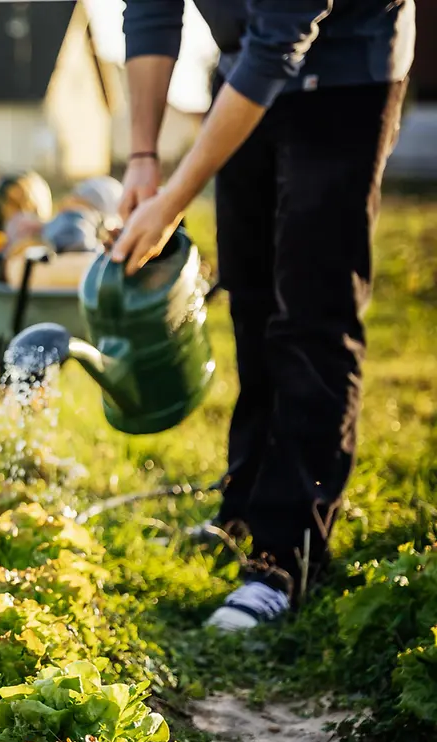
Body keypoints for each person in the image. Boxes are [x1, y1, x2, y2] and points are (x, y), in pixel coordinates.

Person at [112, 0, 414, 631]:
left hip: (345, 72)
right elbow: (150, 9)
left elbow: (282, 36)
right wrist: (142, 156)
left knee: (310, 316)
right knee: (250, 298)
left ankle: (286, 553)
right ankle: (245, 506)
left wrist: (173, 201)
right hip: (244, 67)